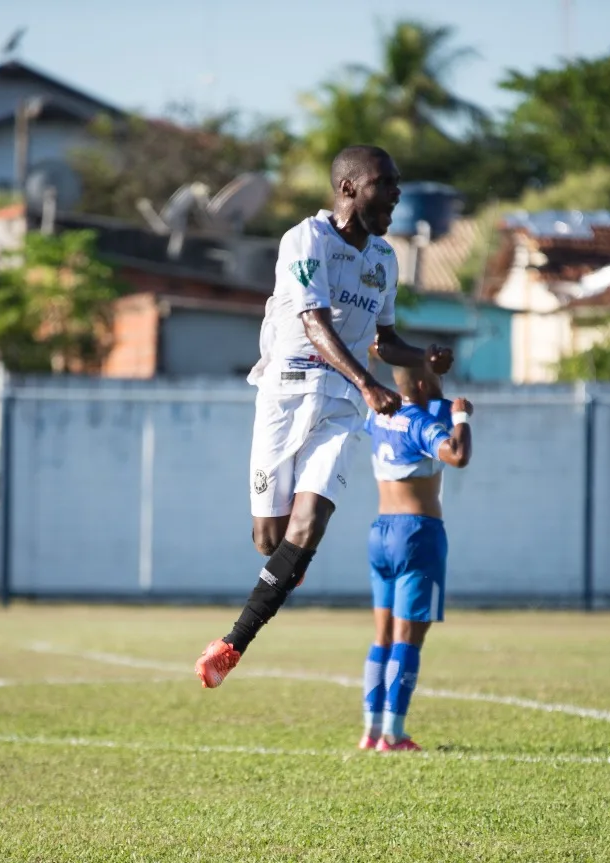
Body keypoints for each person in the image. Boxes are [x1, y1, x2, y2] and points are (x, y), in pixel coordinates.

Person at [195, 145, 453, 689]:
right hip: (284, 396)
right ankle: (292, 559)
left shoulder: (384, 259)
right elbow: (313, 322)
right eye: (386, 182)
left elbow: (383, 341)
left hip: (340, 407)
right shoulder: (305, 239)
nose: (397, 192)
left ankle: (231, 644)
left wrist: (422, 356)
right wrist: (369, 381)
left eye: (398, 182)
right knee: (270, 539)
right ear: (348, 189)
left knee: (308, 525)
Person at [360, 365, 472, 752]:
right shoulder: (422, 424)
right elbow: (457, 454)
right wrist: (461, 418)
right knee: (409, 638)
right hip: (417, 533)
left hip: (381, 531)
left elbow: (420, 405)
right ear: (425, 385)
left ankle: (372, 732)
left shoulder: (380, 415)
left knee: (383, 636)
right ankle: (393, 736)